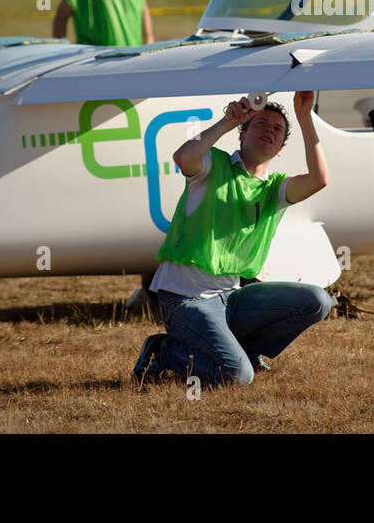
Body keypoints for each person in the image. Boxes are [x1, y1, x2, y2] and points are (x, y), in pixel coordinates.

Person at [133, 91, 334, 387]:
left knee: (318, 300)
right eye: (260, 124)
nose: (269, 130)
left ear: (280, 149)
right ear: (242, 135)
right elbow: (183, 157)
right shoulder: (213, 165)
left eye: (277, 129)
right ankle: (161, 351)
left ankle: (248, 351)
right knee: (236, 376)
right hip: (186, 299)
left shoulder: (274, 189)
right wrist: (228, 121)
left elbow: (320, 179)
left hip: (230, 297)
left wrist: (304, 117)